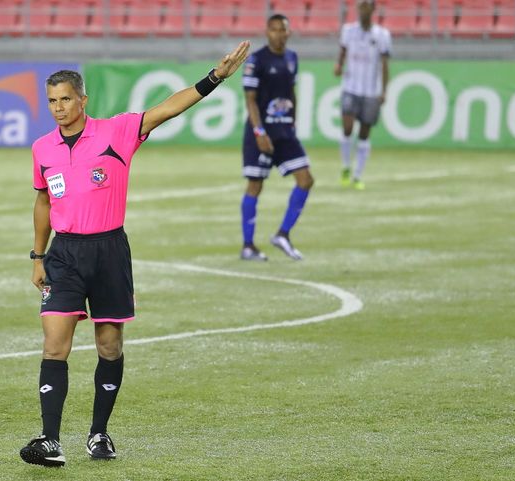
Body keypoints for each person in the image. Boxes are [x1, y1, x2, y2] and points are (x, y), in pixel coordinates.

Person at [19, 41, 251, 467]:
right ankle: (50, 440)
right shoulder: (42, 149)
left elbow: (168, 108)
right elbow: (42, 203)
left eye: (66, 99)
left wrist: (214, 77)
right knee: (54, 346)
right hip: (64, 254)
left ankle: (98, 433)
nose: (58, 108)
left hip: (109, 250)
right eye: (52, 101)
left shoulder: (116, 131)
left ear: (83, 99)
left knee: (109, 347)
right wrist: (37, 257)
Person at [239, 14, 312, 262]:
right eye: (274, 30)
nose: (279, 34)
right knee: (255, 186)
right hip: (262, 132)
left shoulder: (292, 58)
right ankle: (248, 246)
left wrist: (293, 120)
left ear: (289, 33)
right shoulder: (256, 60)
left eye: (283, 30)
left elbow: (291, 90)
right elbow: (250, 99)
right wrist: (259, 132)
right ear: (267, 32)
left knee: (305, 179)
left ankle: (283, 235)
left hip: (285, 132)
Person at [334, 0, 392, 190]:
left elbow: (385, 65)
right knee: (347, 127)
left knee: (364, 133)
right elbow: (343, 51)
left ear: (373, 9)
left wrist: (384, 91)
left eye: (367, 6)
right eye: (361, 6)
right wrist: (338, 65)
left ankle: (358, 174)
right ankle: (345, 166)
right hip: (350, 87)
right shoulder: (348, 30)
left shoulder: (382, 35)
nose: (363, 10)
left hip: (370, 91)